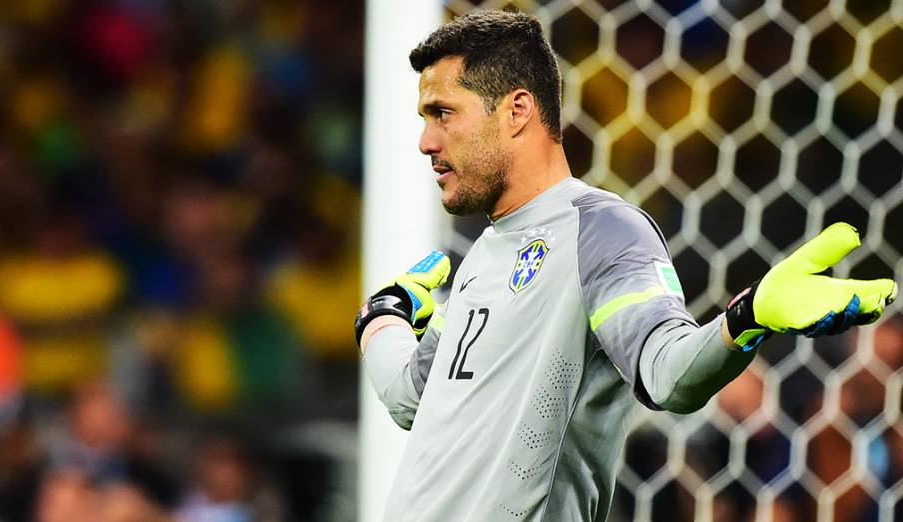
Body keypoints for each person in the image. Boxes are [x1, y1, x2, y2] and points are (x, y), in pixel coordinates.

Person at [354, 10, 898, 521]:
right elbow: (412, 398)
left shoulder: (600, 231)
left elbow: (669, 374)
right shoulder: (479, 259)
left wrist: (748, 316)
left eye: (443, 113)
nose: (426, 141)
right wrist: (385, 314)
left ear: (517, 111)